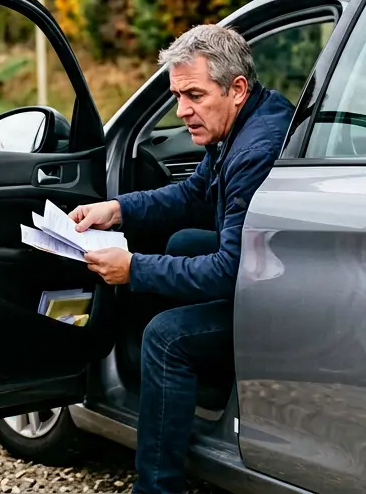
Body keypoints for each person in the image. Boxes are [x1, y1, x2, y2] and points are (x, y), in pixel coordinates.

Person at [72, 24, 295, 494]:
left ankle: (157, 486)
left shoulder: (256, 150)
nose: (182, 111)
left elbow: (231, 271)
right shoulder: (245, 122)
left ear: (236, 89)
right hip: (270, 270)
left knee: (166, 338)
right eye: (177, 96)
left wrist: (134, 269)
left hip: (280, 294)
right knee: (185, 241)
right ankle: (193, 392)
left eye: (194, 95)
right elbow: (195, 194)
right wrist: (117, 209)